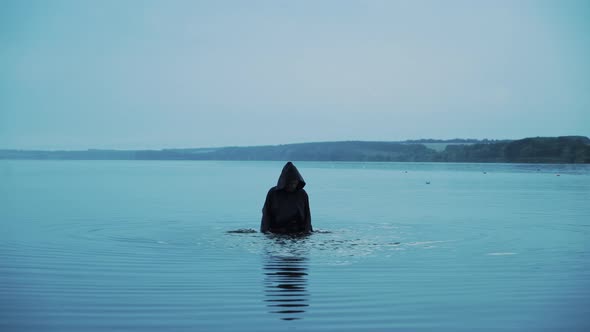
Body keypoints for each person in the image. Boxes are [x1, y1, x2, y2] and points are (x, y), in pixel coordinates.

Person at [260, 162, 313, 234]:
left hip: (298, 231)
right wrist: (264, 231)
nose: (292, 186)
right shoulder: (273, 193)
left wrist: (308, 231)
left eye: (294, 183)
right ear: (284, 182)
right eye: (290, 183)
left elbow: (307, 214)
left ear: (298, 182)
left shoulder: (302, 194)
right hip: (277, 230)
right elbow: (266, 213)